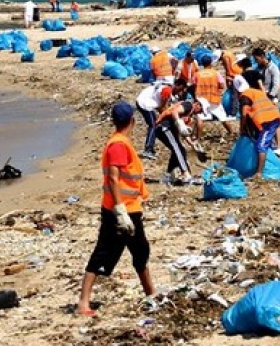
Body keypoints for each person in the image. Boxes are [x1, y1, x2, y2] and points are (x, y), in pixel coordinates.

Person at [77, 102, 155, 318]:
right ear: (133, 121)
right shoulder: (118, 145)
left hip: (131, 208)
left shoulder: (121, 142)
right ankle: (83, 302)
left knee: (140, 250)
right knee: (103, 251)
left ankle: (151, 293)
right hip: (119, 211)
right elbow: (113, 177)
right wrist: (120, 211)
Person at [237, 73, 280, 179]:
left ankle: (259, 173)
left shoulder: (245, 95)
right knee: (262, 141)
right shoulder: (256, 92)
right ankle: (267, 162)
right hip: (268, 118)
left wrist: (242, 128)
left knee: (261, 145)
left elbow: (244, 114)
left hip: (269, 121)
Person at [153, 97, 206, 184]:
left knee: (179, 150)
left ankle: (168, 176)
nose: (200, 112)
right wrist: (179, 123)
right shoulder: (188, 105)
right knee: (178, 149)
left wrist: (194, 147)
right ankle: (186, 174)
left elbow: (185, 134)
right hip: (164, 127)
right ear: (197, 104)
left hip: (168, 130)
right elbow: (175, 112)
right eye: (201, 110)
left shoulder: (189, 117)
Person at [135, 79, 187, 161]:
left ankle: (150, 148)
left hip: (146, 100)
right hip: (145, 103)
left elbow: (163, 107)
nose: (179, 92)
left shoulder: (168, 88)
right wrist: (169, 116)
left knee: (155, 123)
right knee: (153, 125)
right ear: (176, 85)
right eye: (180, 90)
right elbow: (162, 108)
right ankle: (148, 150)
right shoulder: (167, 90)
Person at [193, 54, 235, 140]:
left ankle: (198, 138)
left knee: (200, 118)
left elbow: (193, 84)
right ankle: (231, 133)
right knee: (223, 118)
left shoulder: (198, 74)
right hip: (214, 98)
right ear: (211, 63)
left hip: (202, 100)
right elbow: (222, 85)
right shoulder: (216, 73)